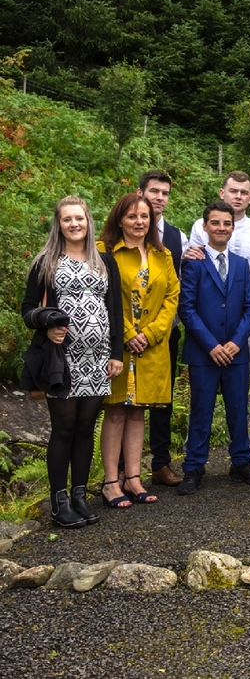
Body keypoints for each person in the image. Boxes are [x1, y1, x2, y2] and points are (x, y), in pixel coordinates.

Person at [21, 197, 124, 526]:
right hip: (62, 361)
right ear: (59, 224)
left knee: (85, 429)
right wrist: (47, 322)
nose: (74, 224)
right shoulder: (46, 262)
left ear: (88, 221)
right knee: (63, 429)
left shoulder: (106, 261)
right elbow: (28, 310)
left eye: (79, 218)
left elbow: (116, 311)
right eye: (67, 219)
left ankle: (79, 496)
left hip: (97, 359)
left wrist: (116, 354)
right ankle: (58, 502)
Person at [177, 201, 250, 495]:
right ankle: (194, 467)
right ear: (205, 227)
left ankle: (242, 462)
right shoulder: (193, 262)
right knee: (201, 409)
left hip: (235, 351)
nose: (221, 228)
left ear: (233, 227)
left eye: (227, 223)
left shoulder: (241, 264)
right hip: (204, 351)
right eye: (215, 223)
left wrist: (235, 343)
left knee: (239, 409)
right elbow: (186, 309)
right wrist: (212, 345)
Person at [98, 193, 180, 506]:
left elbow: (172, 296)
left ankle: (133, 478)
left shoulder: (163, 255)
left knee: (138, 413)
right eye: (132, 216)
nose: (139, 222)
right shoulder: (105, 252)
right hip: (118, 344)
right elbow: (103, 296)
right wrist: (129, 333)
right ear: (119, 219)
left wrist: (151, 333)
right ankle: (110, 482)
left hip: (152, 346)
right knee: (116, 411)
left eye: (144, 216)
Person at [184, 170, 250, 371]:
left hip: (245, 319)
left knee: (241, 378)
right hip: (205, 318)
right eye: (233, 191)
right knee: (203, 380)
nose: (238, 196)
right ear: (222, 192)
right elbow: (194, 266)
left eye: (244, 192)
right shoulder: (200, 228)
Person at [137, 170, 185, 487]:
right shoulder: (125, 229)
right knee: (123, 403)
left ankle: (160, 464)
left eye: (164, 193)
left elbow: (177, 286)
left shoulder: (178, 236)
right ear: (140, 191)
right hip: (128, 332)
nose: (159, 198)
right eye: (154, 191)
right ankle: (121, 470)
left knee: (162, 400)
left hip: (165, 330)